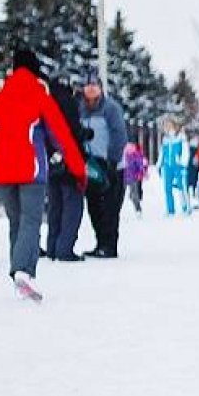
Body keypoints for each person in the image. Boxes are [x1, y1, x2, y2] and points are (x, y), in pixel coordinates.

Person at [0, 49, 86, 301]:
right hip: (31, 172)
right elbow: (62, 137)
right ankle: (22, 271)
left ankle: (22, 275)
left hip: (3, 174)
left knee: (17, 222)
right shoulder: (40, 97)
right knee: (30, 222)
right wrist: (79, 171)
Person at [78, 72, 127, 258]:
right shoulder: (81, 109)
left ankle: (109, 245)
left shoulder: (110, 109)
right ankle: (100, 242)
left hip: (111, 164)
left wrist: (113, 160)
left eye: (94, 85)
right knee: (94, 207)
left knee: (110, 207)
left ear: (100, 88)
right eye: (87, 85)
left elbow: (119, 134)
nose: (90, 88)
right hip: (92, 166)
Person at [43, 77, 87, 261]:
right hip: (69, 162)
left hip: (50, 163)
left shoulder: (45, 102)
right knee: (72, 207)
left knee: (55, 206)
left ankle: (52, 247)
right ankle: (64, 249)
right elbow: (73, 132)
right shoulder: (68, 103)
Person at [158, 118, 192, 216]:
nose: (167, 128)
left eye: (169, 125)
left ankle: (186, 207)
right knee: (167, 188)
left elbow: (186, 152)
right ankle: (170, 209)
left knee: (182, 187)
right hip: (167, 167)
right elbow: (162, 153)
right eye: (165, 126)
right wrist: (159, 164)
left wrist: (183, 163)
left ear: (174, 126)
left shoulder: (181, 138)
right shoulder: (165, 139)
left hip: (178, 167)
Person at [122, 140, 148, 215]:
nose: (129, 148)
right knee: (120, 195)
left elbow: (140, 165)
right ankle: (116, 210)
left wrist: (142, 173)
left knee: (134, 195)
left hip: (132, 177)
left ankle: (138, 209)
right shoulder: (124, 155)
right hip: (123, 177)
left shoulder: (136, 155)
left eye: (131, 146)